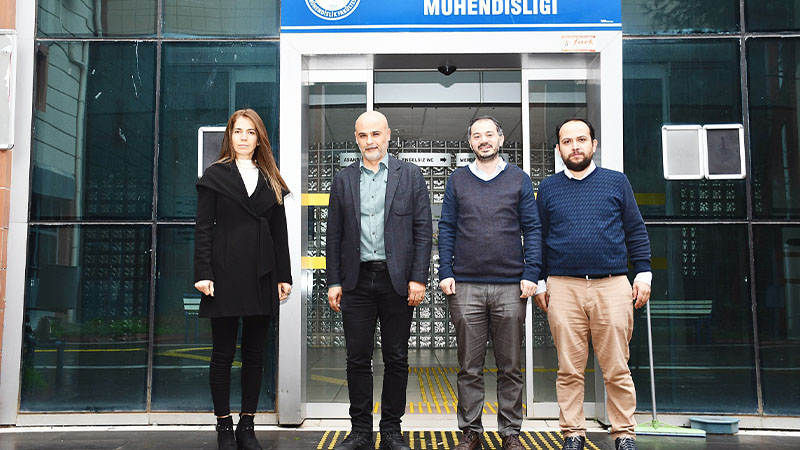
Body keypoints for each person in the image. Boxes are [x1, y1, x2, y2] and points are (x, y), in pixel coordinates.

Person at [534, 118, 651, 450]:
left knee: (616, 367)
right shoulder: (548, 188)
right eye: (567, 142)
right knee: (569, 369)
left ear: (593, 144)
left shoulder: (616, 182)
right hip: (563, 287)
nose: (575, 147)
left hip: (611, 285)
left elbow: (635, 229)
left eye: (581, 140)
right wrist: (540, 281)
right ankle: (573, 433)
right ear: (558, 149)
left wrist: (643, 273)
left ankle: (624, 433)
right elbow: (539, 238)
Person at [326, 110, 432, 450]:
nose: (369, 141)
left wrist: (419, 278)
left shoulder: (410, 175)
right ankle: (360, 431)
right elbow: (334, 235)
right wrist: (334, 281)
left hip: (396, 282)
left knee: (396, 358)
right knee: (357, 358)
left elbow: (423, 230)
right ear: (356, 139)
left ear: (388, 135)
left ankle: (391, 430)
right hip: (356, 282)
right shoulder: (343, 179)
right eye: (363, 135)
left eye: (375, 134)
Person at [438, 116, 541, 450]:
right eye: (476, 135)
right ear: (470, 142)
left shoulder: (519, 179)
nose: (483, 140)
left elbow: (533, 229)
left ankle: (510, 432)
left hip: (511, 286)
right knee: (469, 367)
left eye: (489, 134)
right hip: (465, 285)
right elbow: (447, 227)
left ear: (500, 138)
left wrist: (531, 274)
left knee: (510, 366)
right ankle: (471, 432)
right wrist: (445, 271)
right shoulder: (457, 180)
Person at [194, 108, 293, 450]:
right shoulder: (215, 175)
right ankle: (224, 427)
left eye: (251, 132)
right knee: (222, 353)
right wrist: (203, 273)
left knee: (254, 354)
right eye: (238, 131)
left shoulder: (270, 178)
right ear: (230, 135)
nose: (244, 138)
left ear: (259, 139)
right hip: (223, 273)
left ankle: (247, 427)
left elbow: (279, 233)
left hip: (262, 273)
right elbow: (203, 229)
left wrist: (284, 276)